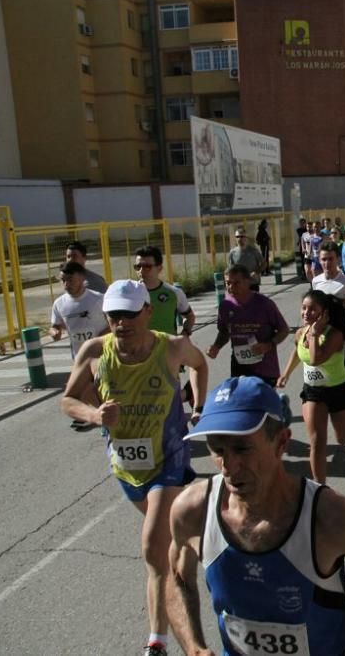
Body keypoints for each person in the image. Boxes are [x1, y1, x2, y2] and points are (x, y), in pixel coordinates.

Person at [167, 376, 345, 656]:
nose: (228, 466)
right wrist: (194, 647)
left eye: (242, 448)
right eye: (217, 449)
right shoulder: (192, 511)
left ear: (281, 442)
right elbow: (177, 578)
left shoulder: (333, 518)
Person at [61, 279, 208, 656]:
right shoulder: (96, 351)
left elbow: (199, 365)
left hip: (168, 460)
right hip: (126, 467)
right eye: (113, 316)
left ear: (146, 311)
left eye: (128, 314)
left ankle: (156, 641)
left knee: (151, 547)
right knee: (168, 540)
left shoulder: (172, 347)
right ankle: (185, 544)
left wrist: (198, 407)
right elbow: (67, 400)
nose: (121, 323)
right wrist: (94, 414)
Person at [278, 291, 345, 484]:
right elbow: (298, 353)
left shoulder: (335, 334)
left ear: (324, 313)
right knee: (317, 442)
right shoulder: (300, 333)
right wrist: (286, 374)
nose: (306, 312)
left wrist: (314, 333)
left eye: (312, 309)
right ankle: (319, 488)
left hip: (339, 390)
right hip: (314, 392)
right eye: (304, 308)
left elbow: (315, 359)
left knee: (343, 438)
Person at [208, 265, 289, 386]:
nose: (231, 287)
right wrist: (216, 347)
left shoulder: (264, 304)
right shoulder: (225, 306)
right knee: (241, 403)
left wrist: (269, 345)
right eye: (228, 283)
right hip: (239, 365)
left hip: (264, 366)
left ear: (248, 282)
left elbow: (284, 330)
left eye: (236, 283)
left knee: (263, 404)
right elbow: (224, 332)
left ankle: (281, 403)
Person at [50, 261, 108, 359]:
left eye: (70, 279)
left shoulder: (100, 299)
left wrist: (99, 339)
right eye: (63, 280)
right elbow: (55, 326)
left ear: (82, 278)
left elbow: (114, 324)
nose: (66, 284)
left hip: (102, 354)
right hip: (79, 358)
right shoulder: (59, 303)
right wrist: (54, 332)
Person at [134, 246, 195, 338]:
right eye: (138, 266)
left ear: (159, 268)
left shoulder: (174, 292)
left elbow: (190, 317)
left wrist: (184, 335)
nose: (141, 271)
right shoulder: (129, 293)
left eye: (147, 267)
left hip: (167, 349)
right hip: (138, 350)